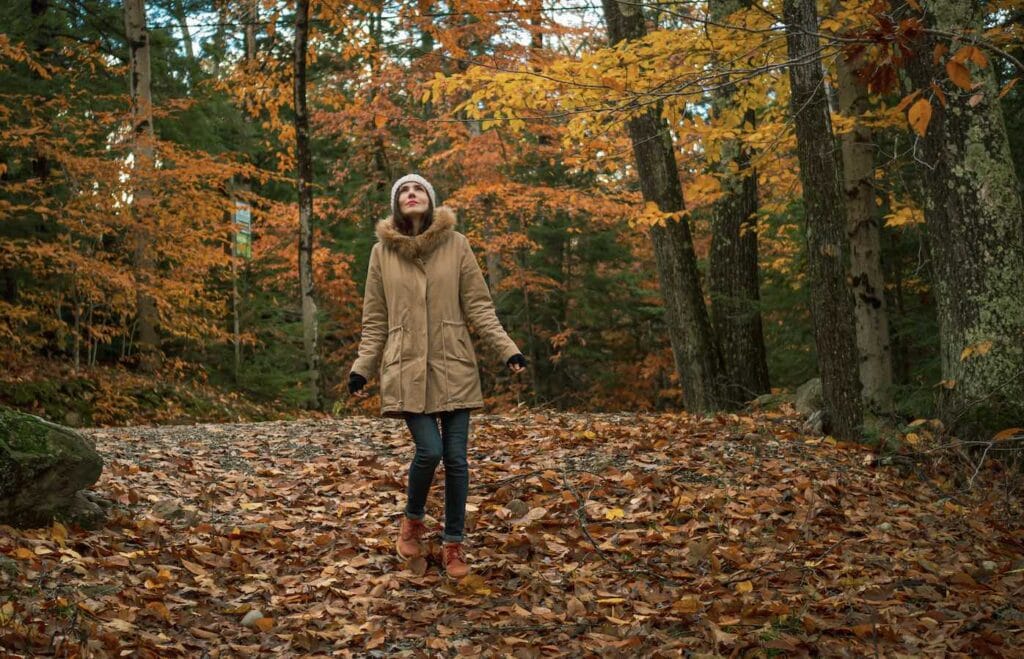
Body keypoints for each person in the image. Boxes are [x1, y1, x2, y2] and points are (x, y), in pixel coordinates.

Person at [348, 173, 527, 579]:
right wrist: (362, 368)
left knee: (457, 460)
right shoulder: (382, 253)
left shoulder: (457, 245)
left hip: (454, 365)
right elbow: (375, 320)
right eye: (404, 191)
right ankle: (413, 519)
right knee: (429, 451)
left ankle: (453, 545)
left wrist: (508, 349)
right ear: (397, 204)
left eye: (419, 190)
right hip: (406, 367)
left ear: (430, 200)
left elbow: (480, 307)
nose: (412, 194)